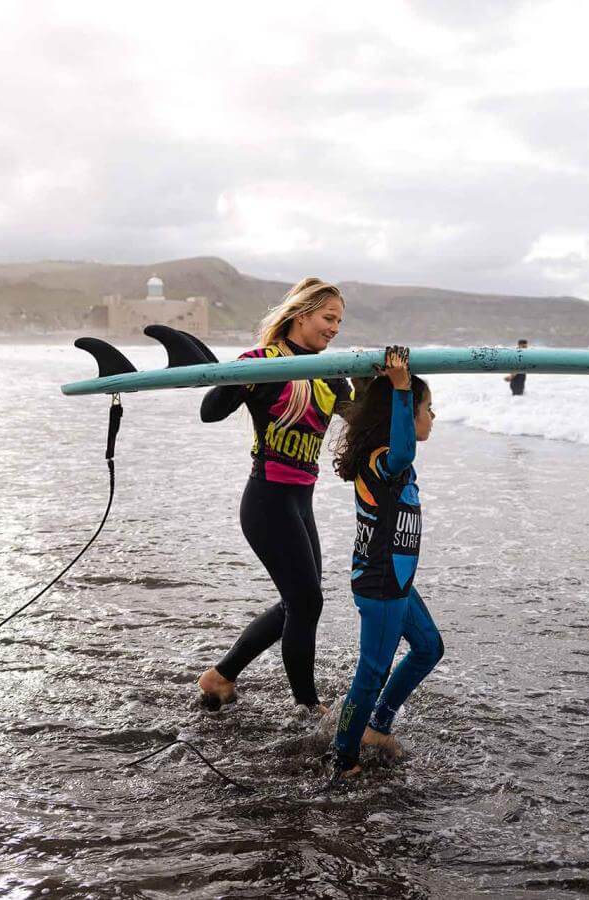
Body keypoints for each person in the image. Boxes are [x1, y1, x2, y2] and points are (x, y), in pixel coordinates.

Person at [195, 277, 353, 716]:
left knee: (298, 603)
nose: (335, 328)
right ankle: (307, 705)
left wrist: (390, 381)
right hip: (267, 500)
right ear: (301, 315)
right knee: (306, 601)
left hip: (302, 502)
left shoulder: (329, 374)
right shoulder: (263, 362)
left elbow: (361, 420)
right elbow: (209, 413)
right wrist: (240, 378)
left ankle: (221, 675)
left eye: (340, 320)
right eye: (328, 318)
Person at [326, 345, 442, 780]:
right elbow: (403, 451)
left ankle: (378, 728)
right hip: (380, 586)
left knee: (429, 648)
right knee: (372, 672)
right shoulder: (385, 462)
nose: (433, 417)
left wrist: (383, 386)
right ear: (406, 417)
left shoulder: (390, 465)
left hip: (398, 585)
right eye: (428, 409)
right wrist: (400, 388)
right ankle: (344, 758)